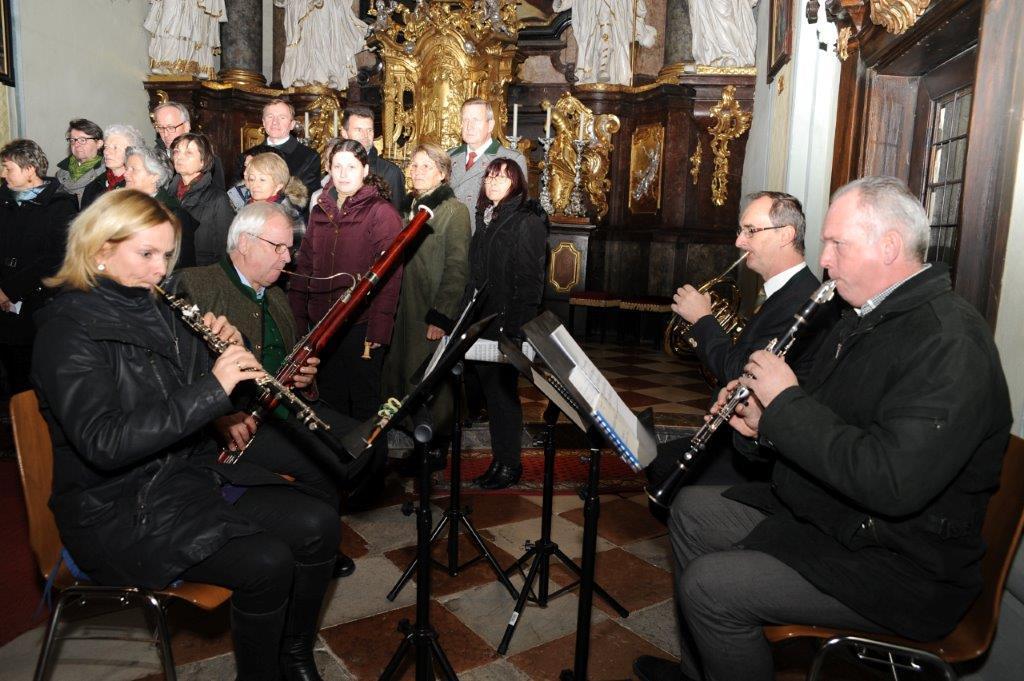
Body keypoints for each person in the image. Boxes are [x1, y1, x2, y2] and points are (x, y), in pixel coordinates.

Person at [632, 176, 1013, 681]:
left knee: (710, 587)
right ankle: (699, 672)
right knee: (693, 510)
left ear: (889, 246)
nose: (825, 260)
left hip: (903, 565)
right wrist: (760, 425)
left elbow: (890, 481)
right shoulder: (863, 318)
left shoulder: (950, 342)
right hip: (837, 518)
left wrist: (784, 403)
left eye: (837, 244)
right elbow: (824, 424)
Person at [32, 189, 341, 681]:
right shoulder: (66, 330)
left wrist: (226, 349)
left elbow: (193, 390)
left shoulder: (158, 308)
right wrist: (213, 387)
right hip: (116, 509)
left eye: (167, 255)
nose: (161, 270)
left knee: (318, 523)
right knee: (267, 562)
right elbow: (105, 443)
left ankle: (294, 654)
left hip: (184, 480)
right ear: (99, 250)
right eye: (147, 254)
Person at [171, 201, 363, 578]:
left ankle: (317, 534)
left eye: (289, 248)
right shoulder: (196, 284)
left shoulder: (275, 295)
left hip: (284, 409)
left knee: (364, 439)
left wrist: (306, 379)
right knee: (323, 461)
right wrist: (219, 418)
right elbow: (178, 373)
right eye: (278, 247)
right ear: (245, 243)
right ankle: (316, 542)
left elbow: (288, 361)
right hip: (238, 424)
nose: (287, 257)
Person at [646, 192, 837, 488]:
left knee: (661, 467)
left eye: (751, 231)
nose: (739, 241)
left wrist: (703, 319)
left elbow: (741, 374)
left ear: (786, 235)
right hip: (739, 434)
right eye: (740, 230)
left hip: (764, 453)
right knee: (655, 459)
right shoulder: (784, 292)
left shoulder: (801, 300)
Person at [289, 139, 403, 505]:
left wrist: (378, 330)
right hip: (324, 326)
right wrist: (300, 319)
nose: (343, 173)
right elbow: (306, 266)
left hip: (361, 326)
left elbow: (390, 277)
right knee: (331, 406)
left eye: (351, 167)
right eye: (336, 166)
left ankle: (369, 485)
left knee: (366, 409)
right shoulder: (320, 208)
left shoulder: (381, 212)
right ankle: (340, 480)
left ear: (365, 170)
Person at [464, 158, 547, 490]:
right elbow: (476, 276)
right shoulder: (486, 217)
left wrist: (515, 332)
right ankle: (499, 461)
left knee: (503, 397)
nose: (493, 182)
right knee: (490, 396)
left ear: (517, 184)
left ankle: (509, 465)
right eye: (489, 176)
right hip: (482, 323)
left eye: (502, 177)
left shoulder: (527, 221)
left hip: (506, 326)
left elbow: (530, 284)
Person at [381, 143, 470, 440]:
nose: (417, 172)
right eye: (414, 165)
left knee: (426, 377)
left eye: (426, 166)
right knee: (399, 371)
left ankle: (434, 440)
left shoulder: (454, 211)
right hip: (402, 304)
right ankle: (403, 429)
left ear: (442, 174)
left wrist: (441, 315)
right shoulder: (404, 208)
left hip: (429, 307)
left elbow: (457, 267)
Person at [0, 139, 78, 397]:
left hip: (37, 305)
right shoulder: (3, 198)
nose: (3, 174)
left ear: (30, 170)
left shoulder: (61, 204)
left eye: (8, 168)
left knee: (36, 380)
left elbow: (55, 258)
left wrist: (9, 290)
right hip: (4, 305)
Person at [448, 98, 528, 234]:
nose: (469, 126)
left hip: (483, 238)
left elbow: (517, 212)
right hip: (447, 238)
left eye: (476, 120)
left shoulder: (512, 159)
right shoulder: (449, 156)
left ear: (490, 125)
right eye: (465, 120)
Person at [124, 144, 199, 268]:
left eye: (133, 169)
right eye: (126, 168)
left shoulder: (173, 216)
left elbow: (182, 267)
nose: (126, 174)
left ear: (155, 176)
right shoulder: (124, 206)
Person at [170, 132, 234, 265]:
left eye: (188, 153)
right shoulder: (168, 193)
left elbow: (226, 249)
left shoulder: (217, 199)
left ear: (203, 161)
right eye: (176, 151)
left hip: (202, 271)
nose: (179, 157)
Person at [242, 99, 321, 198]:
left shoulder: (309, 157)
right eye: (270, 117)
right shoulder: (247, 155)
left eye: (282, 117)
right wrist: (247, 177)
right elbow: (235, 197)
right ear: (263, 122)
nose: (275, 122)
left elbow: (305, 198)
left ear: (292, 124)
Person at [340, 106, 405, 213]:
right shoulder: (336, 168)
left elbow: (397, 216)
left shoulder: (391, 172)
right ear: (344, 133)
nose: (365, 135)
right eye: (359, 130)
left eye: (369, 130)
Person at [152, 101, 226, 189]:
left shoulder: (210, 160)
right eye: (160, 128)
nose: (165, 134)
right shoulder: (153, 157)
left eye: (171, 127)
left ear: (186, 126)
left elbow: (217, 195)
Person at [234, 152, 308, 234]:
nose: (255, 184)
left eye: (262, 180)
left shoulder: (286, 210)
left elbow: (297, 238)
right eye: (252, 179)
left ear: (278, 186)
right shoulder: (247, 202)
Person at [80, 124, 145, 209]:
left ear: (133, 151)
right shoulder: (93, 187)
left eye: (115, 147)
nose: (106, 152)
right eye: (106, 147)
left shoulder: (141, 184)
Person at [54, 118, 105, 206]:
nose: (76, 144)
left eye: (82, 140)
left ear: (99, 143)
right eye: (72, 140)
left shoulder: (106, 175)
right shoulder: (61, 172)